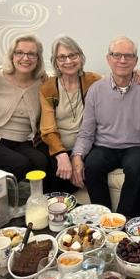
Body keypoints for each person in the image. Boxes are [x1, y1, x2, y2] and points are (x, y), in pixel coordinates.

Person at [71, 36, 140, 217]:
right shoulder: (96, 90)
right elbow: (86, 132)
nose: (122, 60)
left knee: (136, 168)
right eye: (117, 55)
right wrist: (77, 156)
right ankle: (104, 219)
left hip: (137, 146)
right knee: (91, 165)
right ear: (108, 59)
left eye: (128, 56)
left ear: (135, 60)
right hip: (105, 146)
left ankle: (123, 222)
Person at [0, 35, 50, 185]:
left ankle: (38, 202)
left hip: (22, 141)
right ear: (12, 56)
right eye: (19, 53)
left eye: (31, 54)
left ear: (38, 58)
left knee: (40, 161)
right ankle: (14, 204)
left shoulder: (43, 81)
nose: (25, 58)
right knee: (20, 164)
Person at [39, 35, 101, 192]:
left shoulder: (93, 80)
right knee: (54, 169)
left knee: (93, 166)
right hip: (58, 146)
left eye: (72, 55)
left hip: (86, 145)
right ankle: (56, 210)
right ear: (56, 63)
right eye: (62, 57)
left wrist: (135, 74)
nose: (68, 61)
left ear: (80, 57)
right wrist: (62, 155)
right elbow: (48, 129)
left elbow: (117, 79)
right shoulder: (48, 88)